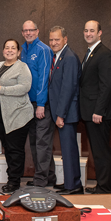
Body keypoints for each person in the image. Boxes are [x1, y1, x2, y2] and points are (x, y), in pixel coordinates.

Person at [0, 40, 33, 193]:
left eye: (13, 48)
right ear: (3, 51)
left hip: (18, 116)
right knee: (8, 149)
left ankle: (14, 182)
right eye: (6, 48)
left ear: (18, 52)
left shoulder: (22, 67)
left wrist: (4, 89)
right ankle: (12, 178)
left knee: (15, 150)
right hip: (1, 116)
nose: (9, 50)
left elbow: (25, 87)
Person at [79, 20, 111, 193]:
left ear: (100, 33)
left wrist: (98, 111)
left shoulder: (105, 54)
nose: (88, 33)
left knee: (102, 152)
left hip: (98, 113)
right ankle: (102, 185)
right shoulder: (90, 53)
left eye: (92, 30)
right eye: (86, 30)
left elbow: (106, 85)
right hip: (90, 112)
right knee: (97, 151)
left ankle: (105, 188)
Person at [47, 25, 82, 193]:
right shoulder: (58, 57)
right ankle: (70, 181)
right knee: (67, 149)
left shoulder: (69, 57)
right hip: (62, 112)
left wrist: (60, 114)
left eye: (57, 39)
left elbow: (68, 88)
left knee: (69, 150)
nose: (54, 42)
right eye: (51, 39)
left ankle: (73, 185)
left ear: (65, 39)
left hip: (66, 113)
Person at [21, 19, 53, 188]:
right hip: (28, 104)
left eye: (31, 30)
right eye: (25, 31)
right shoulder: (23, 50)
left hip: (41, 105)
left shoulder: (43, 49)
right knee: (35, 142)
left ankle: (41, 179)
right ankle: (50, 176)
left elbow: (43, 79)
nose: (28, 33)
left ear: (37, 31)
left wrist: (41, 104)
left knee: (42, 142)